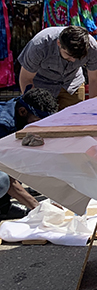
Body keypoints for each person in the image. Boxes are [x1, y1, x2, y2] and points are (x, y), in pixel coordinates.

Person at [0, 87, 59, 220]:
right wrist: (38, 207)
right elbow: (7, 176)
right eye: (37, 122)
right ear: (23, 112)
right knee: (2, 179)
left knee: (18, 158)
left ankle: (3, 208)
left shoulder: (18, 106)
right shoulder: (3, 125)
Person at [18, 25, 97, 110]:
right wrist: (33, 106)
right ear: (59, 43)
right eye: (69, 56)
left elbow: (94, 79)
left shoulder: (92, 48)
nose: (73, 60)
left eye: (77, 57)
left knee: (74, 119)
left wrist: (93, 107)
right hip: (41, 86)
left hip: (72, 85)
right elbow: (26, 78)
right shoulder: (40, 45)